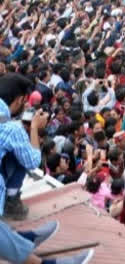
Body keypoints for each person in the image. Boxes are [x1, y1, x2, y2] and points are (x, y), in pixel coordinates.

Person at [0, 74, 94, 264]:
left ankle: (24, 239)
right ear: (19, 100)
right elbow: (33, 161)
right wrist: (34, 128)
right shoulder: (11, 128)